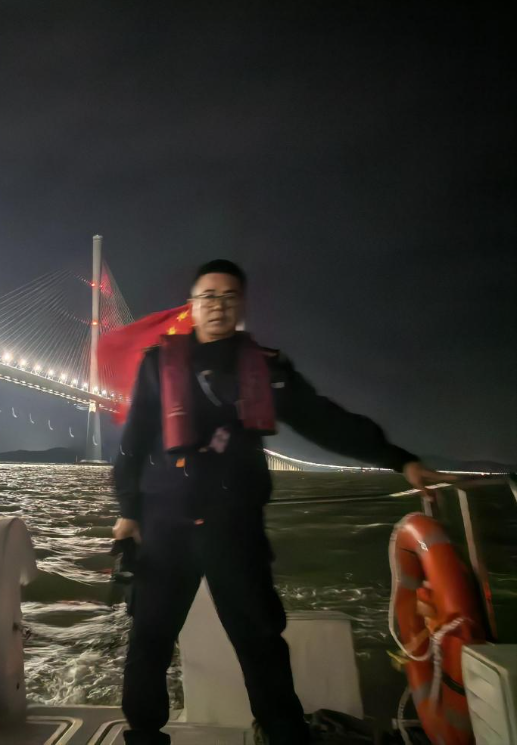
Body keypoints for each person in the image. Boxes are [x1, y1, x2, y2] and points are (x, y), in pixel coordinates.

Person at [113, 260, 451, 745]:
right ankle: (144, 737)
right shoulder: (157, 365)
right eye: (208, 296)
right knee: (149, 640)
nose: (218, 305)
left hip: (235, 528)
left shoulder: (267, 368)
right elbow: (133, 441)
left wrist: (400, 459)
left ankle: (286, 737)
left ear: (241, 306)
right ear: (192, 306)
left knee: (260, 644)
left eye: (228, 296)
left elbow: (325, 420)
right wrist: (128, 511)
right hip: (166, 526)